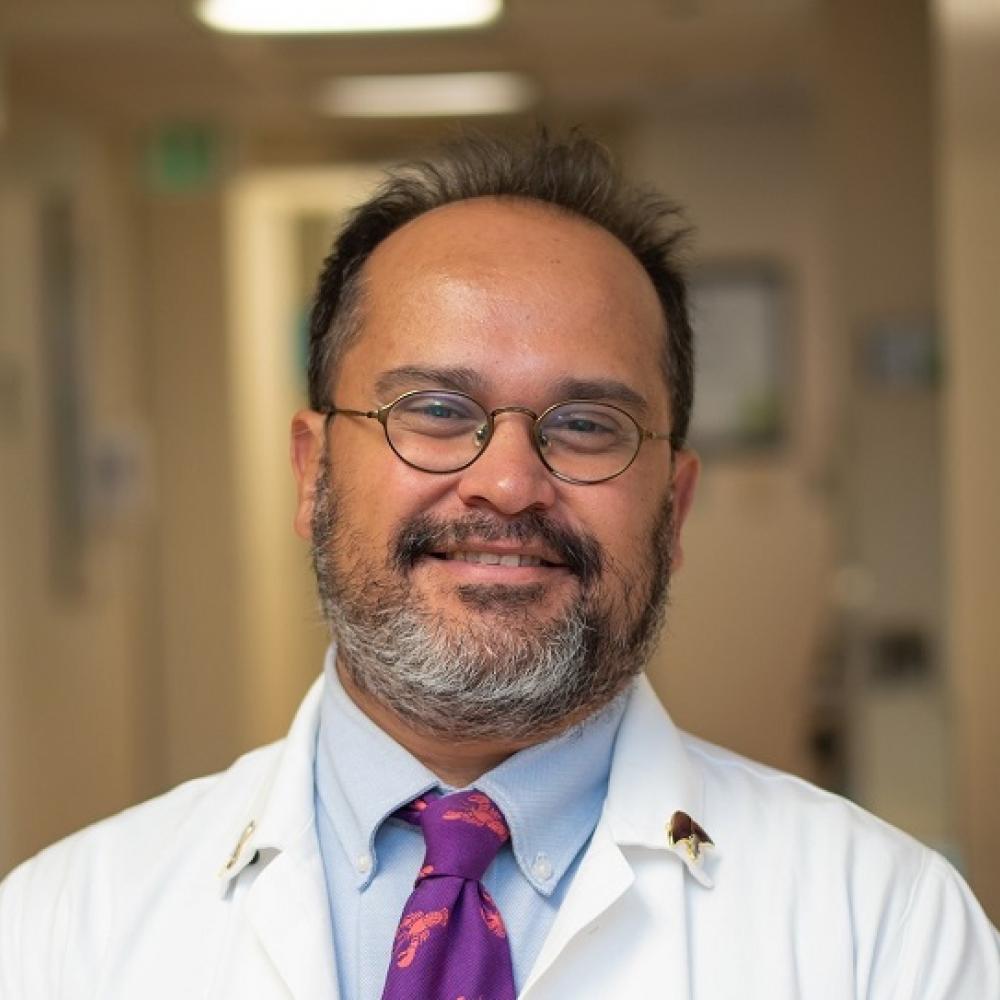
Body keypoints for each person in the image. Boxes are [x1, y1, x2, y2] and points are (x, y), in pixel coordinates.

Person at [0, 131, 997, 999]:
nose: (509, 483)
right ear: (312, 472)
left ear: (676, 504)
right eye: (434, 410)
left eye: (587, 423)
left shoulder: (886, 933)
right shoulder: (61, 931)